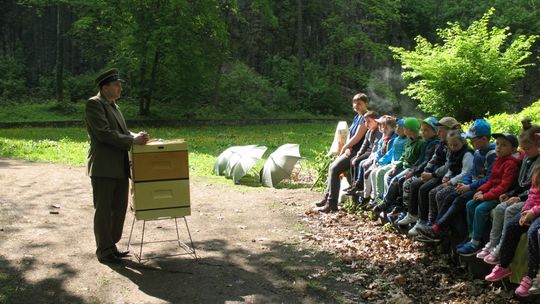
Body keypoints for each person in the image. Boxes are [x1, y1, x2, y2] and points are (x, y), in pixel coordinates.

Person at [86, 68, 149, 264]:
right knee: (104, 210)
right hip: (104, 167)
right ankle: (104, 251)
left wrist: (134, 136)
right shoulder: (94, 104)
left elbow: (121, 131)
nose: (120, 87)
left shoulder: (114, 105)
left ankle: (111, 246)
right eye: (116, 84)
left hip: (120, 166)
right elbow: (104, 133)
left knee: (119, 209)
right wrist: (132, 141)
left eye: (120, 84)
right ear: (105, 87)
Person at [414, 119, 496, 243]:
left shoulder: (487, 154)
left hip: (480, 188)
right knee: (447, 197)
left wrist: (468, 186)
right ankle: (436, 227)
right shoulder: (478, 151)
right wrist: (465, 183)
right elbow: (471, 172)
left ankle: (442, 229)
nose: (470, 142)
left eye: (473, 140)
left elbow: (486, 177)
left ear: (484, 139)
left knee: (456, 199)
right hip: (470, 184)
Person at [479, 121, 540, 264]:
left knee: (510, 210)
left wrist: (518, 197)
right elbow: (520, 184)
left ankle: (502, 247)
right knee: (500, 208)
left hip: (531, 201)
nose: (525, 151)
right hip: (525, 196)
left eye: (527, 148)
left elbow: (533, 189)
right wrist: (512, 193)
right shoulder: (527, 158)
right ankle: (493, 243)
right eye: (523, 148)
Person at [457, 133, 522, 256]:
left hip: (500, 196)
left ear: (513, 149)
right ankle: (473, 237)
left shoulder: (511, 164)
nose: (498, 147)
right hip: (492, 192)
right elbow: (491, 180)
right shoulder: (498, 159)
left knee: (480, 209)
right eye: (497, 144)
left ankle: (476, 243)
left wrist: (485, 196)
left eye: (503, 145)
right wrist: (480, 190)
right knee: (470, 204)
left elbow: (504, 186)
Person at [485, 164, 540, 297]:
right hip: (533, 209)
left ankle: (532, 275)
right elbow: (532, 194)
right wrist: (525, 210)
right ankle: (504, 265)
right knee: (512, 225)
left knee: (534, 231)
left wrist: (533, 211)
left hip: (537, 212)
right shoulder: (537, 171)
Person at [398, 117, 460, 228]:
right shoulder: (441, 144)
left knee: (425, 189)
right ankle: (411, 214)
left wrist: (431, 174)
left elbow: (449, 165)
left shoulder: (452, 145)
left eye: (441, 129)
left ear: (451, 130)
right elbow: (433, 159)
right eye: (438, 129)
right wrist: (426, 170)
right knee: (414, 183)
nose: (439, 132)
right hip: (435, 173)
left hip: (445, 176)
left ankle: (425, 221)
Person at [315, 93, 370, 212]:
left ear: (366, 104)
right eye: (354, 103)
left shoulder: (366, 117)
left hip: (360, 153)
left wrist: (345, 147)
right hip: (352, 150)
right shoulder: (357, 117)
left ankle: (332, 203)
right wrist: (348, 147)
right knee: (332, 167)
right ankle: (328, 199)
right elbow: (351, 134)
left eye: (359, 103)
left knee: (334, 169)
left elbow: (358, 137)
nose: (356, 106)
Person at [416, 131, 474, 241]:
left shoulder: (467, 154)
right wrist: (446, 176)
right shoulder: (452, 152)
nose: (453, 147)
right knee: (433, 192)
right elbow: (450, 167)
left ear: (463, 142)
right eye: (451, 145)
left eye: (456, 145)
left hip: (461, 182)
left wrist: (450, 181)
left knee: (441, 194)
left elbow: (466, 172)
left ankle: (442, 228)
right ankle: (432, 222)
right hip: (452, 180)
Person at [360, 116, 398, 204]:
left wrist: (379, 162)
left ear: (390, 127)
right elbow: (378, 152)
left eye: (382, 125)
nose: (380, 127)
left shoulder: (394, 139)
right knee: (369, 173)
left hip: (388, 163)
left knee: (375, 173)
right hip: (381, 163)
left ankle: (378, 199)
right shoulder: (383, 138)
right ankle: (371, 197)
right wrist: (375, 162)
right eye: (380, 125)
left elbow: (390, 154)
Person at [347, 111, 382, 198]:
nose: (366, 124)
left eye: (369, 121)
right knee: (354, 160)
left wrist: (369, 158)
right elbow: (363, 146)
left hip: (373, 153)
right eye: (365, 121)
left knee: (360, 162)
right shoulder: (369, 132)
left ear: (376, 121)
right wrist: (358, 155)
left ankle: (359, 184)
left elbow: (376, 147)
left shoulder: (379, 132)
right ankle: (354, 183)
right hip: (368, 151)